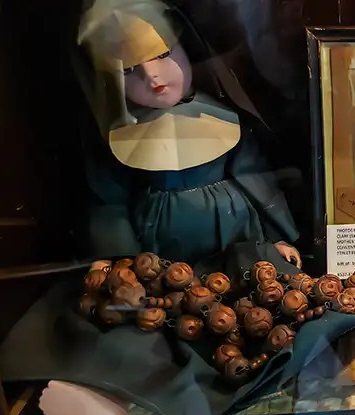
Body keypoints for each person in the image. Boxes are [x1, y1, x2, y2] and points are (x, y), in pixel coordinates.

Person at [77, 0, 301, 268]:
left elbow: (259, 183)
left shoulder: (223, 118)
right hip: (161, 252)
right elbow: (110, 204)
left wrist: (277, 239)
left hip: (236, 239)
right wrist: (117, 257)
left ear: (186, 50)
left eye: (162, 55)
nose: (152, 77)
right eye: (128, 70)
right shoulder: (119, 137)